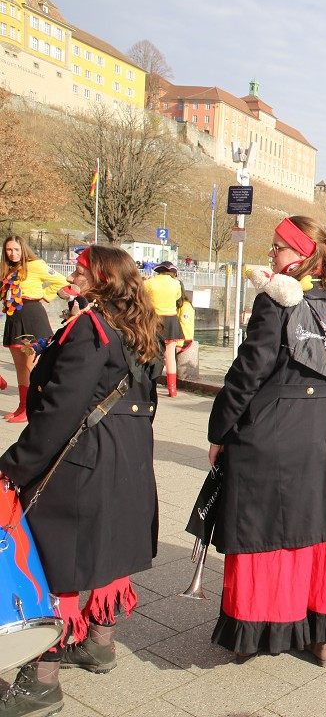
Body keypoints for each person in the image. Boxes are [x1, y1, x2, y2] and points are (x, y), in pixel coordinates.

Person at [206, 216, 326, 665]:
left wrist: (220, 430)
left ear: (302, 254)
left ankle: (254, 634)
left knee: (262, 533)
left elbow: (247, 373)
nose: (271, 255)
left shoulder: (277, 300)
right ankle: (320, 637)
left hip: (271, 430)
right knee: (317, 535)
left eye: (279, 247)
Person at [0, 245, 161, 716]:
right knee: (106, 548)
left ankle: (41, 683)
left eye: (81, 269)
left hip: (84, 458)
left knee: (53, 559)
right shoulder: (137, 324)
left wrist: (15, 464)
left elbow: (59, 410)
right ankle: (98, 644)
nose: (74, 274)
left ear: (104, 279)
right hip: (127, 453)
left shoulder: (91, 327)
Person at [1, 234, 70, 422]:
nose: (13, 253)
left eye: (16, 249)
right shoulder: (8, 269)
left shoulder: (36, 265)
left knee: (31, 366)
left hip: (31, 316)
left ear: (23, 249)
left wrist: (44, 295)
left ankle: (32, 407)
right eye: (9, 249)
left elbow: (62, 281)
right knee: (20, 367)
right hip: (14, 317)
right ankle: (22, 407)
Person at [142, 262, 183, 397]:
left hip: (154, 319)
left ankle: (150, 383)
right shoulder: (176, 284)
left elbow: (143, 297)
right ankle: (172, 389)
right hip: (171, 319)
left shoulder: (149, 283)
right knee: (170, 355)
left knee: (152, 352)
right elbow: (178, 298)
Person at [176, 282, 195, 355]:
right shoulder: (178, 305)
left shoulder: (185, 306)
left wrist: (179, 344)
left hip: (184, 340)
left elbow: (184, 325)